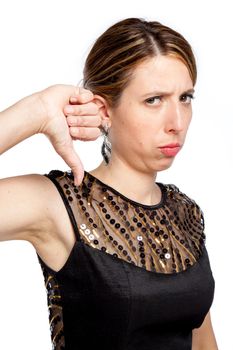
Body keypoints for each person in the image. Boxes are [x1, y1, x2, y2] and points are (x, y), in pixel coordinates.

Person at [0, 17, 218, 350]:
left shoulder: (185, 213)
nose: (176, 122)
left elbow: (203, 343)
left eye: (185, 98)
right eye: (154, 100)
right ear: (105, 108)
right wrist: (38, 110)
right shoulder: (58, 206)